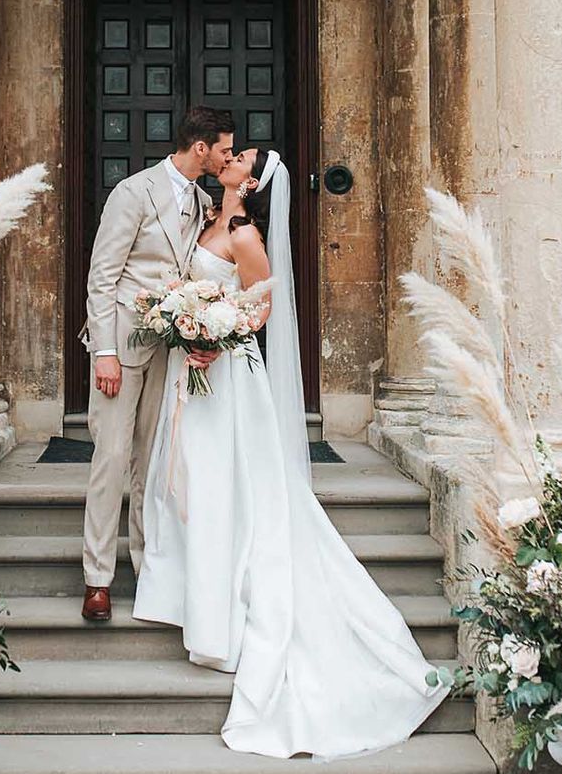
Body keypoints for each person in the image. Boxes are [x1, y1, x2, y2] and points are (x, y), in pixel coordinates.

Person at [133, 146, 450, 759]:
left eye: (239, 156)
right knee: (196, 482)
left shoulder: (244, 234)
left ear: (249, 182)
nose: (228, 155)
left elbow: (261, 310)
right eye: (227, 150)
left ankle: (222, 609)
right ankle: (189, 590)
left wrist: (210, 332)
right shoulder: (204, 218)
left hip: (226, 374)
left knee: (231, 486)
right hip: (195, 376)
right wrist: (182, 318)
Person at [79, 107, 234, 621]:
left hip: (167, 346)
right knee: (111, 458)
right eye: (223, 150)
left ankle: (147, 571)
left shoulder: (202, 198)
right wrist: (104, 351)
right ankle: (97, 579)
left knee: (153, 461)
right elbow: (103, 277)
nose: (226, 157)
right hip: (120, 347)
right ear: (200, 149)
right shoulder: (132, 193)